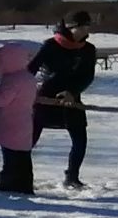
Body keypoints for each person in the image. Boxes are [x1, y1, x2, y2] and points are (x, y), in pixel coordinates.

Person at [28, 12, 97, 189]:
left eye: (87, 27)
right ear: (70, 27)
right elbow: (31, 69)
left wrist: (73, 92)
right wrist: (25, 89)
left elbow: (87, 76)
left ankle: (72, 176)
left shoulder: (88, 50)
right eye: (81, 27)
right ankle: (23, 173)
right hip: (45, 97)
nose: (85, 31)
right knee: (30, 138)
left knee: (80, 138)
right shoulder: (50, 46)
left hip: (71, 98)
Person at [0, 42, 40, 194]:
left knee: (11, 156)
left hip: (10, 125)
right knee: (23, 156)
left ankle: (9, 182)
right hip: (25, 122)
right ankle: (24, 183)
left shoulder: (12, 80)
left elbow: (2, 99)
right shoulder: (28, 77)